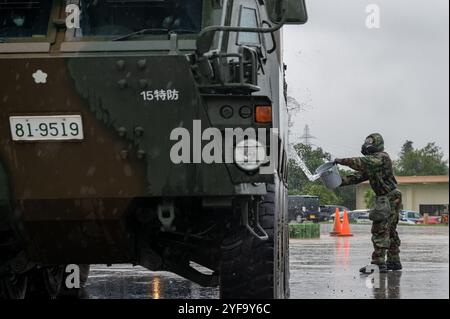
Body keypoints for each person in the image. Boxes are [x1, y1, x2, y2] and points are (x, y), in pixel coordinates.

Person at [335, 133, 403, 273]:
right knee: (390, 231)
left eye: (370, 141)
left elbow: (361, 163)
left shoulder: (381, 158)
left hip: (388, 197)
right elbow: (358, 177)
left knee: (380, 230)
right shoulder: (374, 164)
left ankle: (378, 264)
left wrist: (340, 161)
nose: (367, 144)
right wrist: (338, 181)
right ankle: (394, 261)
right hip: (390, 197)